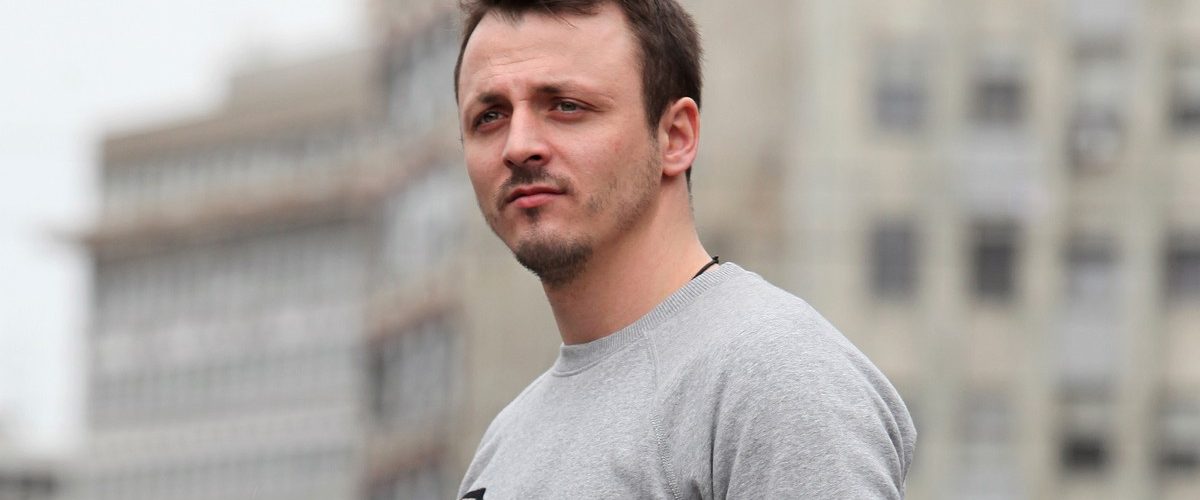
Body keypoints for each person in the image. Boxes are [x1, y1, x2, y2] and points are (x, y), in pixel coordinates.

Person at [453, 0, 916, 497]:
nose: (518, 145)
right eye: (489, 116)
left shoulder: (775, 375)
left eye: (566, 106)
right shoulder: (501, 450)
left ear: (675, 137)